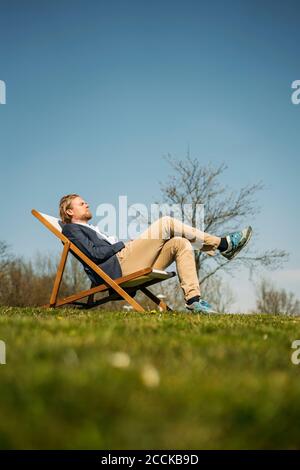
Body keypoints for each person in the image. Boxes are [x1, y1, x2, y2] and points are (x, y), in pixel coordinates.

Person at [59, 194, 252, 314]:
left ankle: (194, 301)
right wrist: (120, 245)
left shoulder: (90, 228)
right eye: (81, 203)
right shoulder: (70, 230)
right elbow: (94, 254)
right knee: (166, 223)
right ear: (69, 211)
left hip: (125, 262)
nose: (87, 204)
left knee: (180, 243)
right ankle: (222, 244)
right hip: (118, 267)